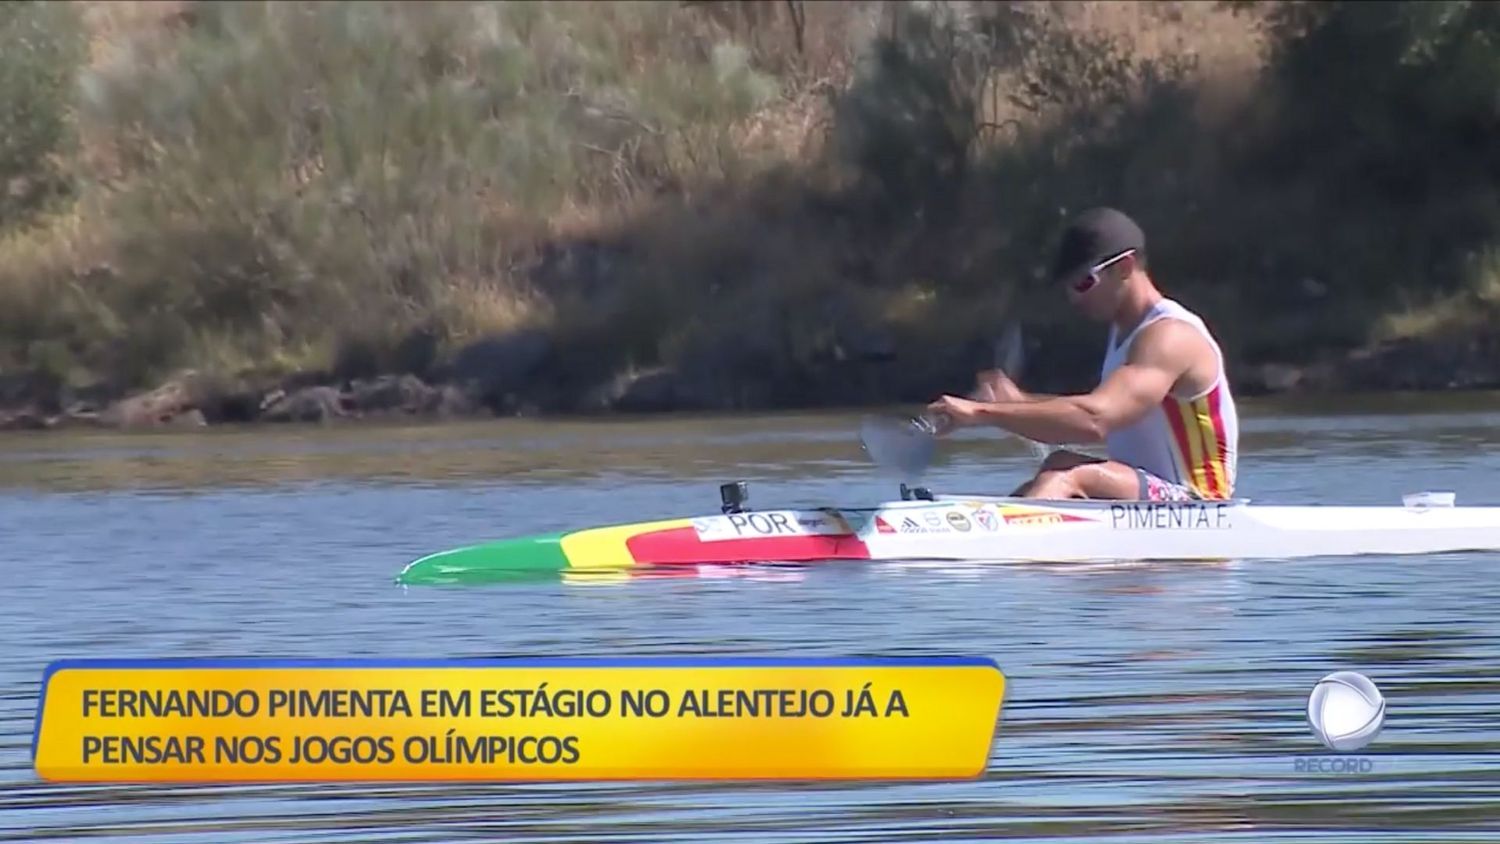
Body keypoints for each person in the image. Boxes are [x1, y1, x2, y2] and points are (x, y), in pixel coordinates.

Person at [926, 207, 1239, 501]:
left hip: (1200, 503)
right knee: (1058, 465)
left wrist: (981, 414)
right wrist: (1016, 404)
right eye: (1069, 287)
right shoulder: (1123, 334)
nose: (1074, 298)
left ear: (1125, 267)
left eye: (1083, 282)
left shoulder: (1170, 336)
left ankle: (1001, 548)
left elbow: (1095, 418)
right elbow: (1092, 412)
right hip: (1145, 494)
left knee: (1067, 477)